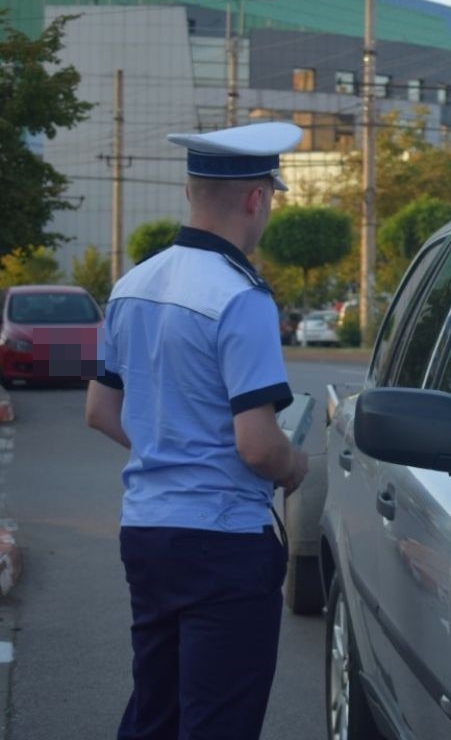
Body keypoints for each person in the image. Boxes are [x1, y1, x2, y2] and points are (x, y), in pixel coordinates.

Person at [84, 121, 309, 739]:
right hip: (224, 544)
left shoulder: (131, 286)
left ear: (190, 193)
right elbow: (259, 446)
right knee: (218, 723)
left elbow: (100, 412)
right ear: (257, 198)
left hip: (147, 534)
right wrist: (298, 467)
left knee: (156, 712)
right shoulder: (242, 299)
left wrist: (170, 443)